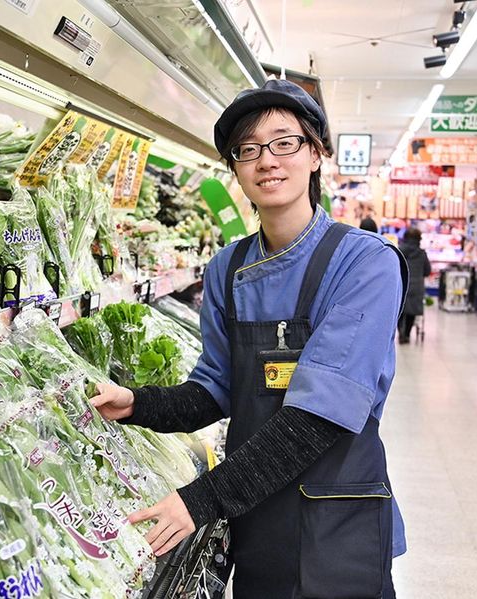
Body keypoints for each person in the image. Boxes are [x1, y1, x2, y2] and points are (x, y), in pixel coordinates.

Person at [91, 79, 409, 598]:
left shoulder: (365, 263)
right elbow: (216, 390)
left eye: (285, 142)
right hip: (258, 516)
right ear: (235, 169)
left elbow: (317, 416)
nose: (267, 160)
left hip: (338, 522)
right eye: (249, 149)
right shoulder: (227, 268)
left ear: (316, 153)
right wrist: (138, 404)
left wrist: (203, 498)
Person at [397, 227, 431, 343]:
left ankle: (400, 331)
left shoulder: (399, 251)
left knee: (400, 309)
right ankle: (406, 334)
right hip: (416, 286)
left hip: (401, 284)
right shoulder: (422, 254)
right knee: (412, 311)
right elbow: (427, 271)